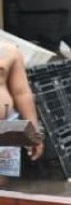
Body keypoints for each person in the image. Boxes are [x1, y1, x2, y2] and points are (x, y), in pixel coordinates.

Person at [0, 43, 43, 184]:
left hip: (6, 125)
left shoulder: (10, 51)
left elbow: (22, 93)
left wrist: (33, 132)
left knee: (2, 181)